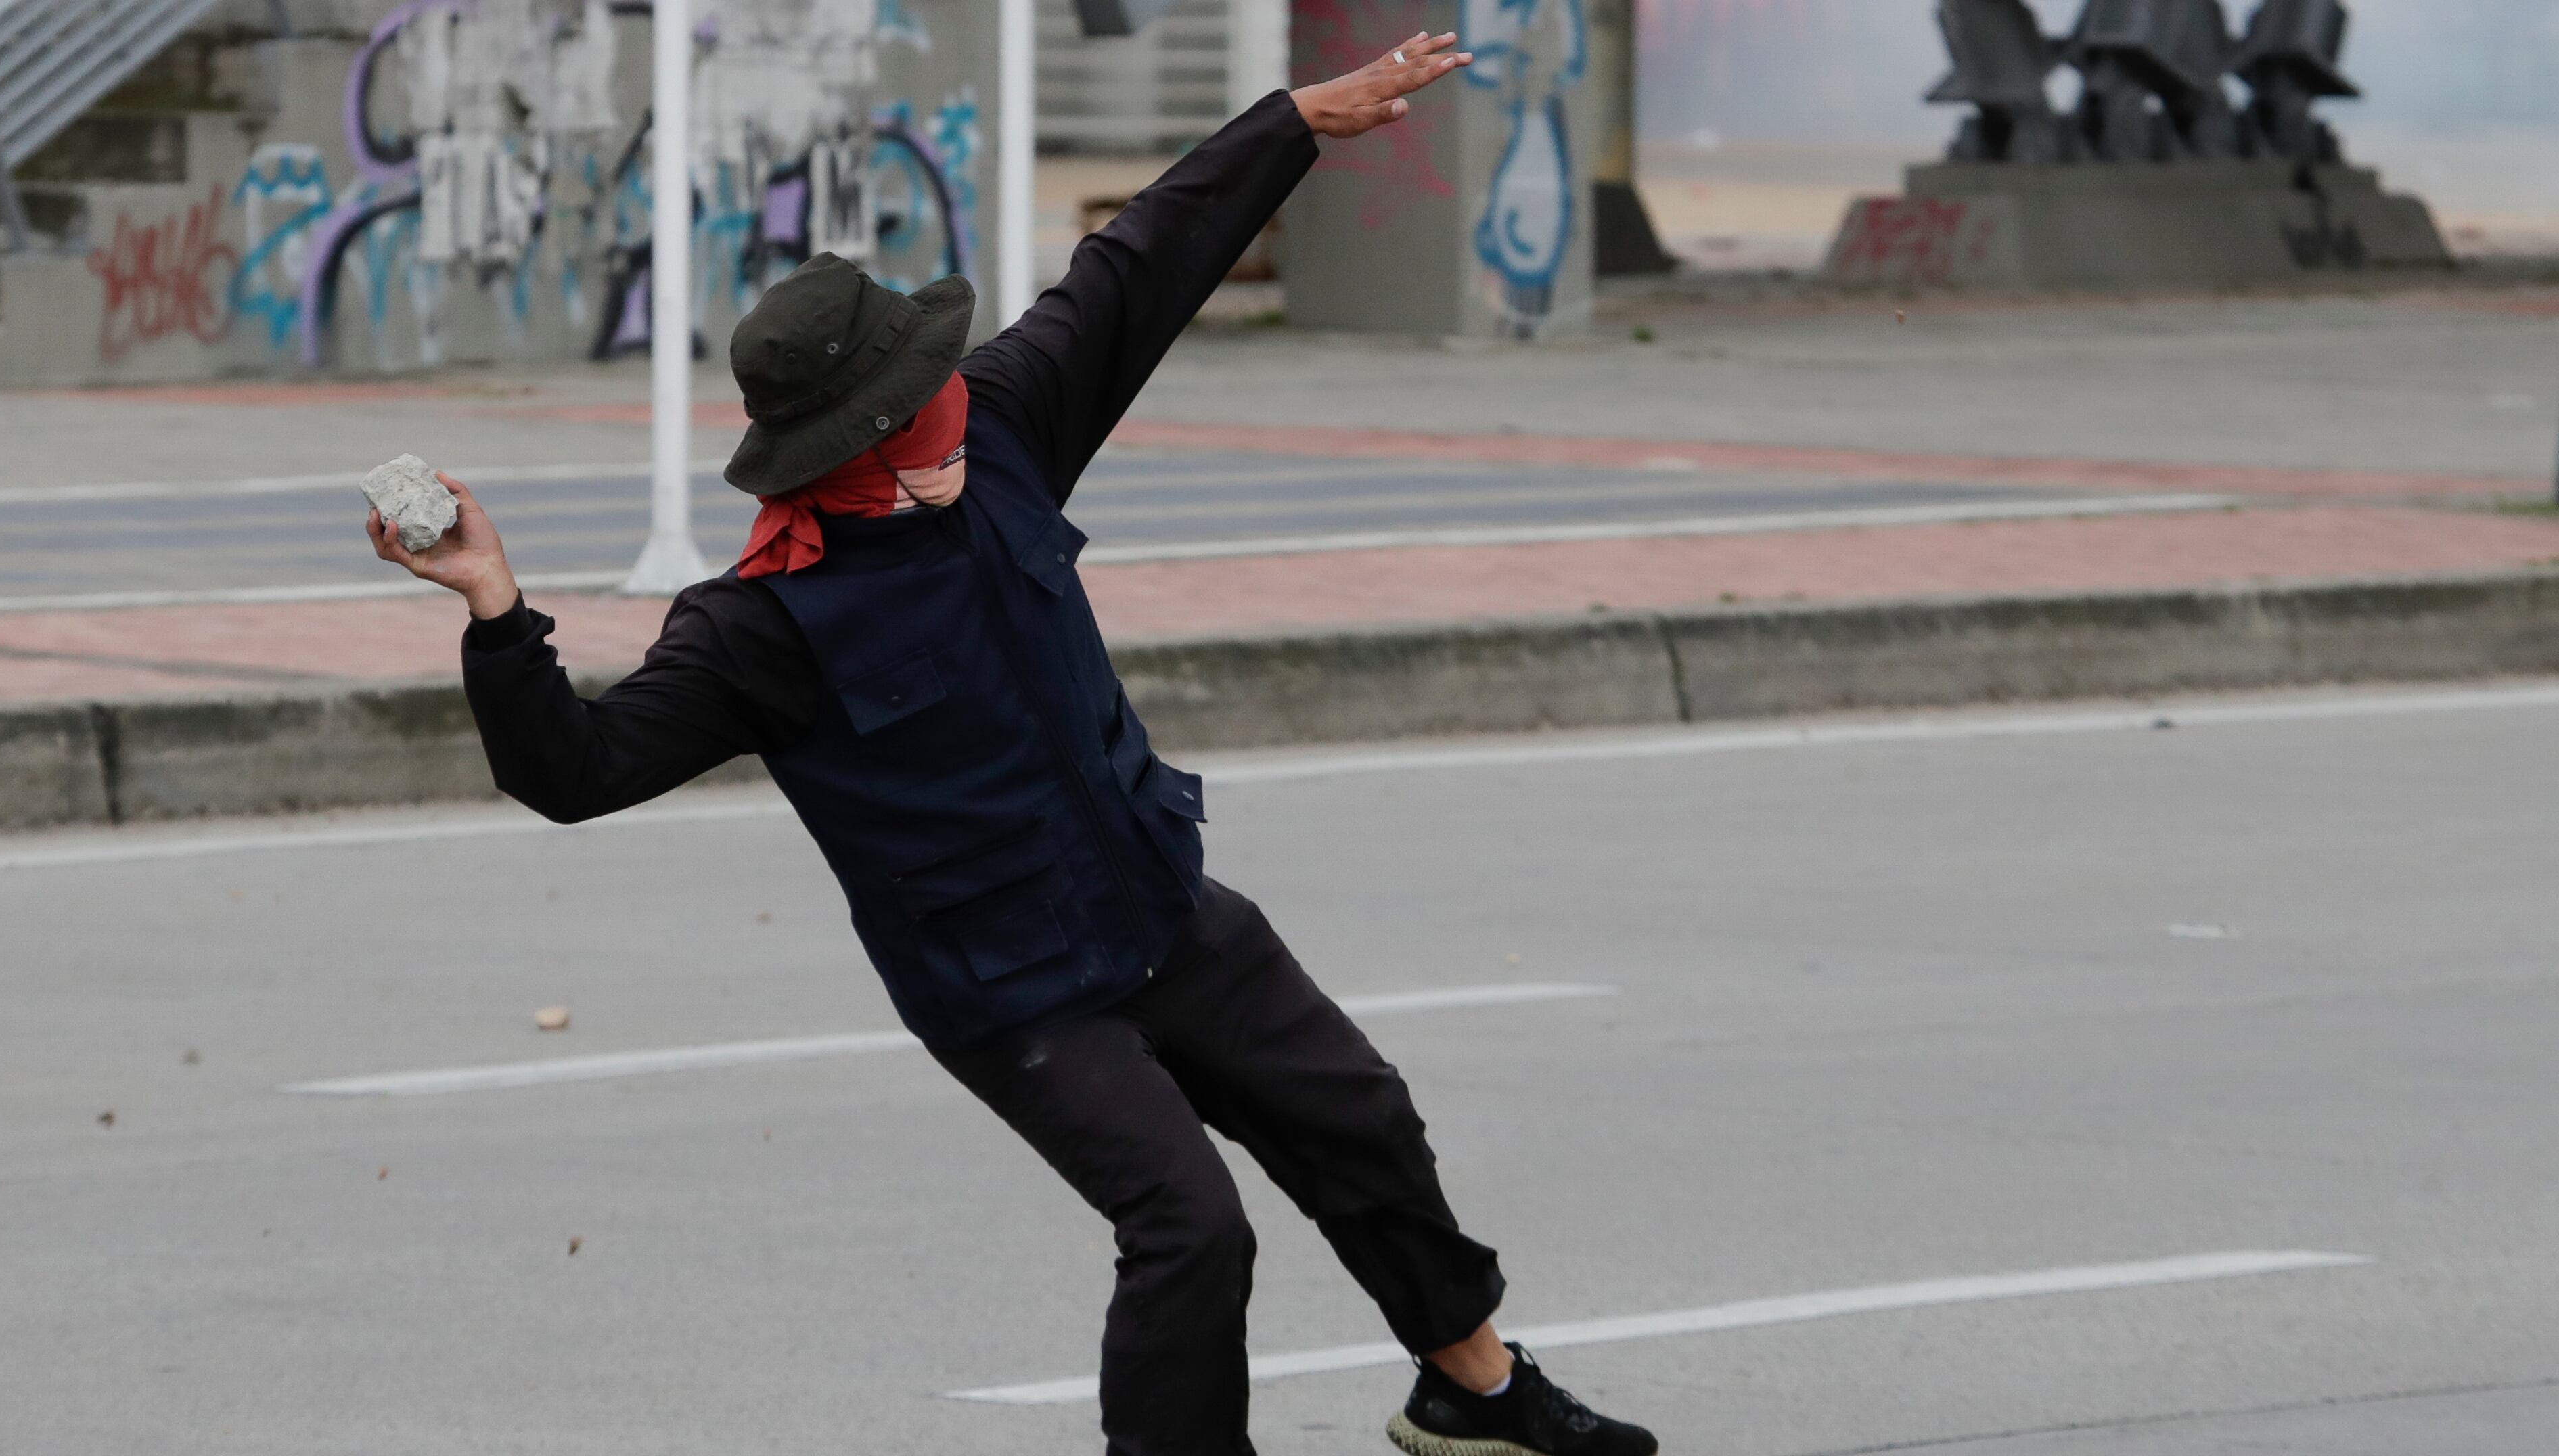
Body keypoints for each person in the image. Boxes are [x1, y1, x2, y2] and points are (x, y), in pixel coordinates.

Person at [367, 33, 1658, 1456]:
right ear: (844, 451)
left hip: (1155, 894)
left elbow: (1135, 270)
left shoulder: (1004, 424)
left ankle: (1473, 1389)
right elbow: (572, 772)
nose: (949, 410)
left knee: (1358, 1116)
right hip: (1014, 988)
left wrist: (1289, 121)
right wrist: (497, 608)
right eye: (915, 410)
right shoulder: (759, 626)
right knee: (1191, 1229)